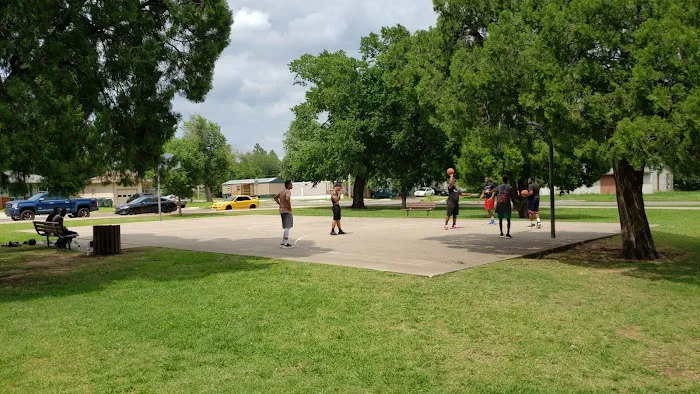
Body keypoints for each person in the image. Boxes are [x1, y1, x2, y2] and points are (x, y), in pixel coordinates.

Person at [274, 181, 294, 249]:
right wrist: (289, 207)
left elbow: (275, 197)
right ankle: (285, 244)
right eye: (291, 184)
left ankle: (283, 243)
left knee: (286, 227)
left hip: (282, 210)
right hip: (286, 210)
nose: (292, 185)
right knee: (288, 227)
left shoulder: (282, 191)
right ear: (288, 185)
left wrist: (280, 204)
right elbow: (287, 198)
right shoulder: (288, 191)